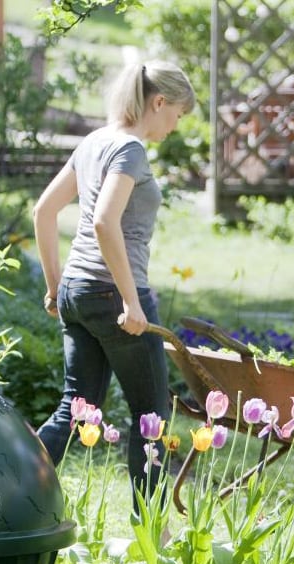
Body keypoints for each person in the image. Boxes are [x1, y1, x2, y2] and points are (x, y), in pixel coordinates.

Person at [32, 60, 196, 506]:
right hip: (113, 294)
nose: (175, 126)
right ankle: (151, 530)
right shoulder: (130, 149)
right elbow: (105, 222)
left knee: (75, 409)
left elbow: (44, 211)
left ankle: (9, 494)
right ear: (158, 102)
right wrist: (130, 301)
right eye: (178, 114)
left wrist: (55, 286)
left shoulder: (93, 142)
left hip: (77, 290)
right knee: (152, 416)